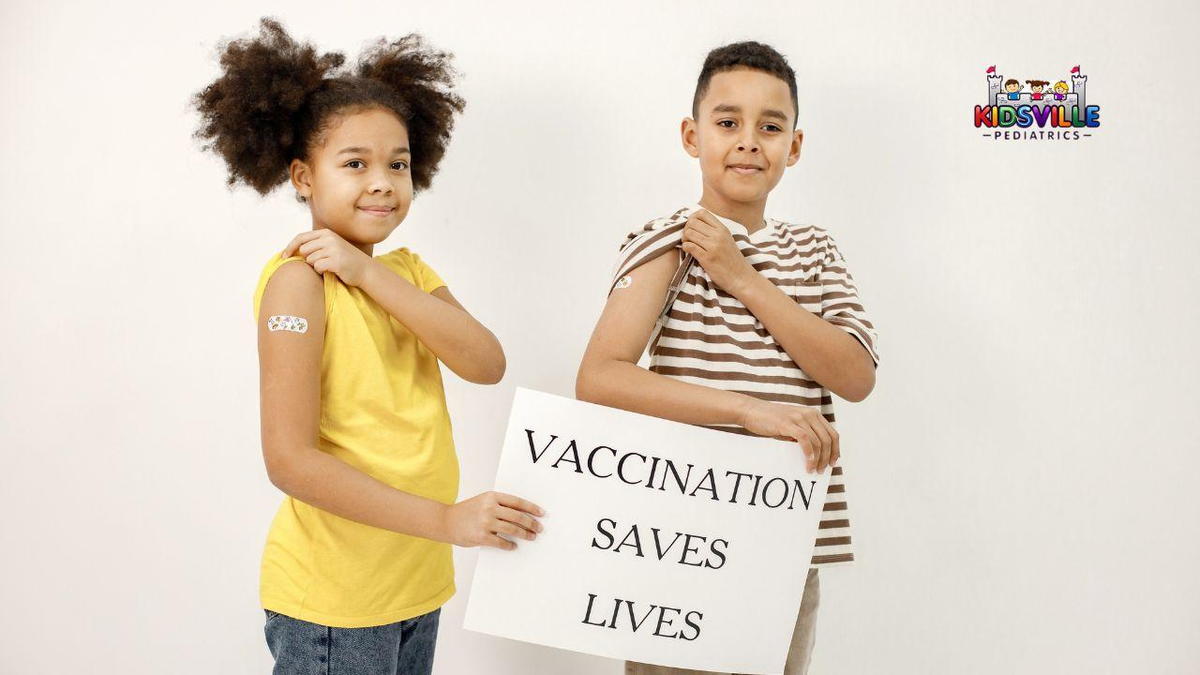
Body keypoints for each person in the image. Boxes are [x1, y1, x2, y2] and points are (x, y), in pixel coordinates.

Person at [192, 18, 543, 674]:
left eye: (398, 163)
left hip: (413, 586)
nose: (382, 181)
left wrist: (368, 272)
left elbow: (485, 362)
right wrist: (448, 521)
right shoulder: (298, 284)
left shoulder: (405, 273)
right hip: (336, 603)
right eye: (355, 163)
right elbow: (290, 460)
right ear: (303, 175)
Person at [576, 41, 880, 675]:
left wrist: (742, 277)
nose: (749, 141)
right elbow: (599, 377)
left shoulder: (814, 250)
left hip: (786, 541)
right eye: (727, 122)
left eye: (771, 127)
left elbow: (855, 376)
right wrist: (748, 411)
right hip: (682, 538)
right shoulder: (667, 242)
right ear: (693, 135)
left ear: (794, 147)